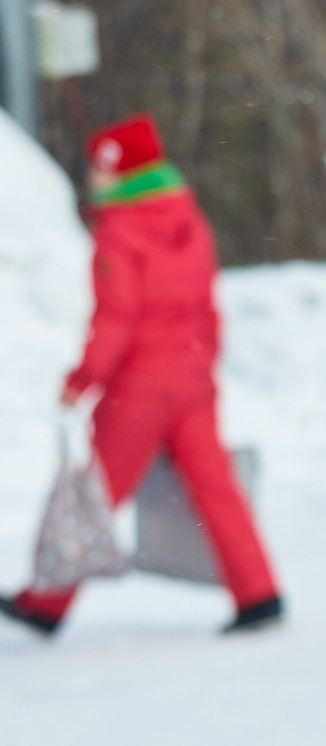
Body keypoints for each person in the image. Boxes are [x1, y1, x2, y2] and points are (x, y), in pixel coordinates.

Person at [3, 116, 283, 637]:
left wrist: (82, 380)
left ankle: (46, 602)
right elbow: (206, 304)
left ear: (119, 170)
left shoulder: (121, 233)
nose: (93, 178)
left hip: (140, 388)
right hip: (193, 375)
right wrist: (201, 363)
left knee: (96, 492)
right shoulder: (188, 221)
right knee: (216, 487)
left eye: (99, 168)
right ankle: (259, 592)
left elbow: (116, 320)